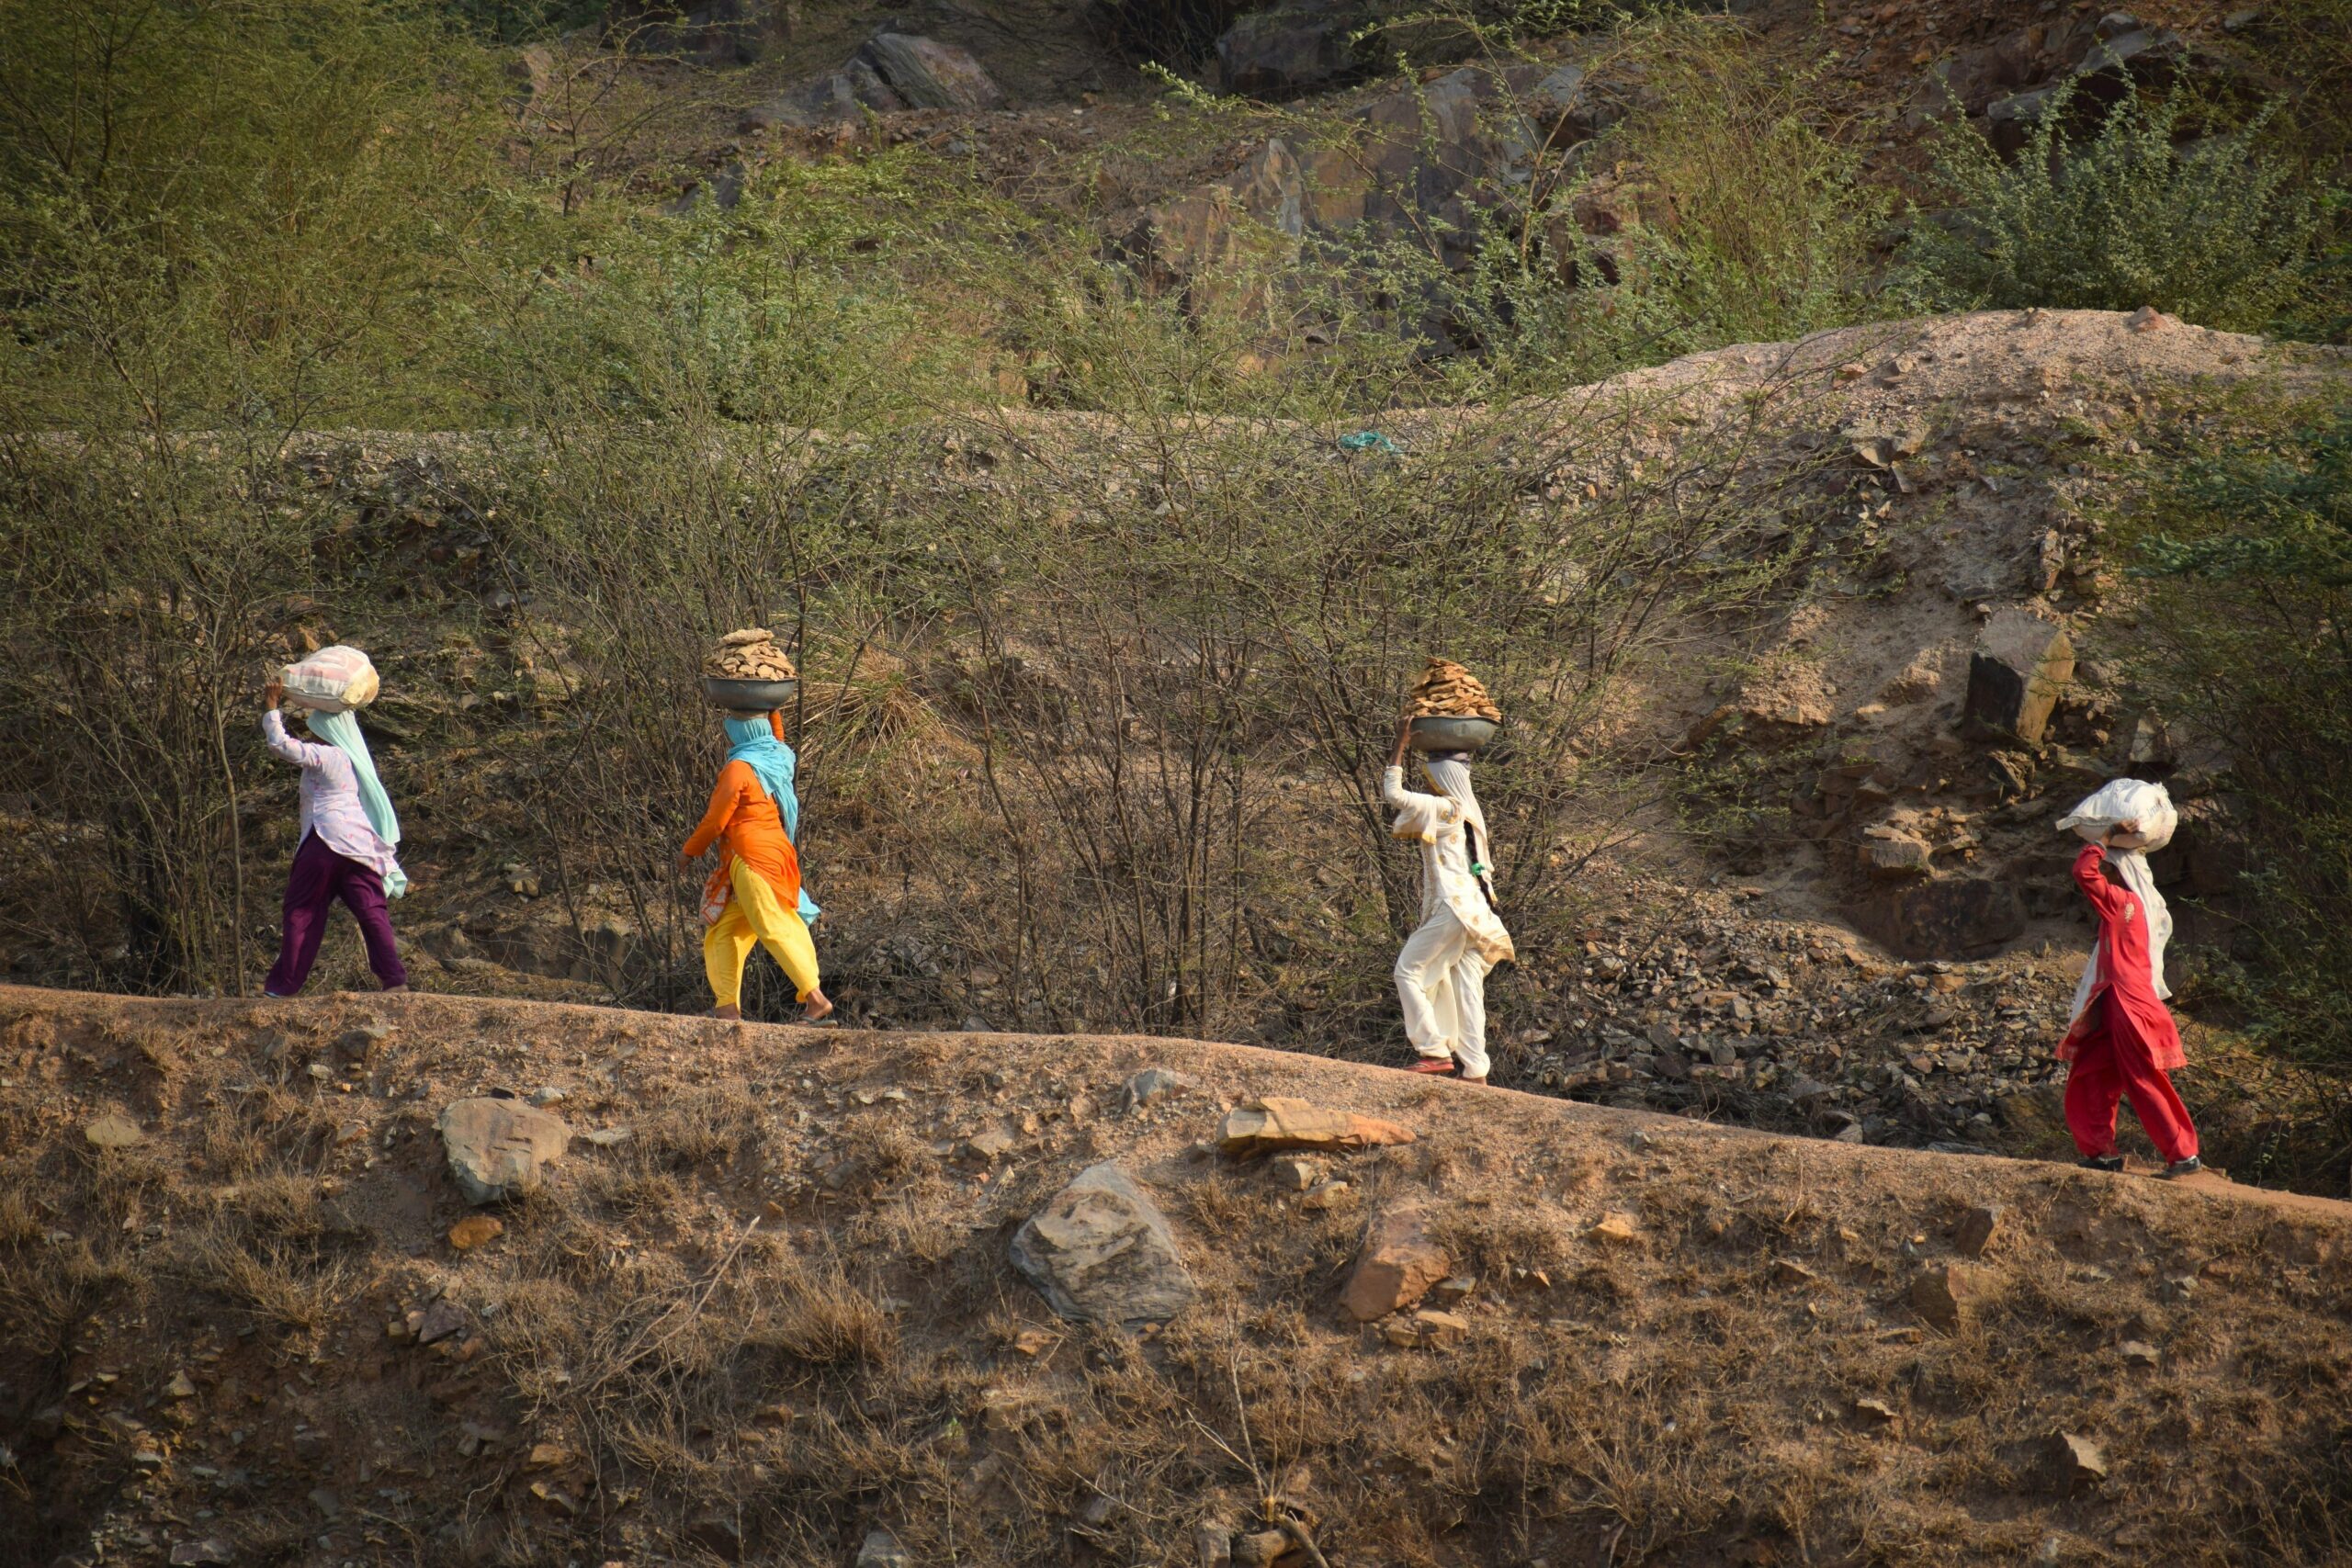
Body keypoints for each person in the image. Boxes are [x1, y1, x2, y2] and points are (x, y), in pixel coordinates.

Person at [2059, 818, 2200, 1178]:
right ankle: (2101, 1153)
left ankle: (2184, 1155)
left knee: (2142, 1077)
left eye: (2109, 867)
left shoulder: (2124, 903)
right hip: (2113, 1001)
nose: (2104, 873)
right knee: (2093, 1073)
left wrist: (2105, 837)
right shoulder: (2131, 907)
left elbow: (2083, 871)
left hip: (2127, 1004)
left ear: (2120, 872)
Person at [258, 676, 409, 997]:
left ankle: (284, 986)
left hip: (324, 842)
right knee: (371, 911)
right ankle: (395, 981)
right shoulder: (354, 762)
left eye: (316, 731)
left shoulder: (330, 756)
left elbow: (282, 746)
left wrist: (272, 708)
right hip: (358, 847)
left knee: (302, 911)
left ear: (328, 733)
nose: (312, 736)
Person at [1383, 718, 1514, 1082]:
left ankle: (1434, 1051)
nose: (1428, 786)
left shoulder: (1447, 809)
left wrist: (1400, 745)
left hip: (1453, 907)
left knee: (1407, 971)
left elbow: (1394, 795)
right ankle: (1476, 1069)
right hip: (1477, 913)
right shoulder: (1468, 816)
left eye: (1432, 779)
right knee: (1466, 987)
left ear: (1443, 781)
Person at [679, 710, 832, 1022]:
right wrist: (774, 710)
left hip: (752, 860)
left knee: (773, 925)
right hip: (775, 856)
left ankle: (816, 1000)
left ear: (739, 734)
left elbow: (715, 820)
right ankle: (726, 1008)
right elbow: (778, 738)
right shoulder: (776, 758)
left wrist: (688, 852)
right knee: (725, 930)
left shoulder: (738, 769)